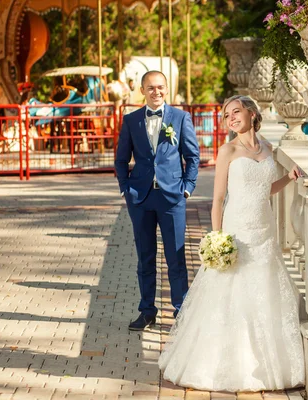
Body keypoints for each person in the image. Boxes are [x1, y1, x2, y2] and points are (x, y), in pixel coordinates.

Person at [158, 95, 305, 392]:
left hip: (263, 232)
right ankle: (222, 365)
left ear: (252, 113)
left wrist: (288, 178)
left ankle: (269, 365)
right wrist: (217, 238)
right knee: (230, 296)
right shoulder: (228, 151)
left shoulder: (269, 149)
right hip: (236, 230)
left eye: (236, 112)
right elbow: (217, 200)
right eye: (226, 116)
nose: (231, 118)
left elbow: (266, 189)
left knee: (264, 294)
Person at [115, 71, 200, 331]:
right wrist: (125, 189)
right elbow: (120, 159)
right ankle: (147, 311)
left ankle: (181, 311)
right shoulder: (131, 120)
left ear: (167, 89)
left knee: (176, 258)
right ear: (143, 90)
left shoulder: (181, 117)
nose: (157, 92)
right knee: (145, 257)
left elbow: (193, 157)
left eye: (161, 87)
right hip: (140, 198)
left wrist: (187, 189)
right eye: (151, 88)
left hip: (172, 197)